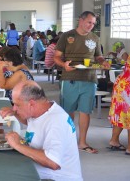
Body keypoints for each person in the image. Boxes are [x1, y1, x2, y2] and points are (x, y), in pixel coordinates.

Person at [0, 81, 83, 181]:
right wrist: (15, 113)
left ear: (31, 104)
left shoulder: (57, 121)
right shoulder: (42, 110)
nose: (14, 108)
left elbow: (53, 162)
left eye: (17, 105)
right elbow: (34, 123)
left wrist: (17, 145)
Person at [54, 11, 110, 154]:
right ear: (81, 20)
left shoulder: (95, 38)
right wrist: (63, 65)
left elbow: (98, 56)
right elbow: (56, 57)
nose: (91, 26)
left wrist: (103, 62)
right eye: (89, 22)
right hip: (69, 79)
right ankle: (68, 140)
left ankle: (82, 142)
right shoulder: (67, 36)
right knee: (68, 111)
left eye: (93, 23)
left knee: (86, 111)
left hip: (89, 78)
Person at [108, 54, 130, 155]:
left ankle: (114, 140)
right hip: (128, 87)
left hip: (121, 84)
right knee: (129, 117)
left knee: (121, 114)